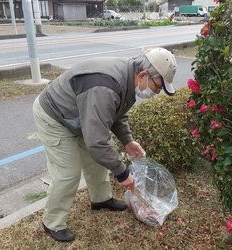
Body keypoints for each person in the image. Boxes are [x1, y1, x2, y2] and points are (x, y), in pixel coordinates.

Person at [32, 47, 177, 242]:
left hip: (83, 115)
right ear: (144, 75)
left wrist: (127, 140)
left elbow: (116, 113)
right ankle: (53, 222)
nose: (157, 92)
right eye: (158, 87)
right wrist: (122, 172)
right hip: (56, 115)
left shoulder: (129, 78)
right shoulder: (106, 85)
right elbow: (97, 141)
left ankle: (101, 199)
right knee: (68, 173)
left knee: (99, 161)